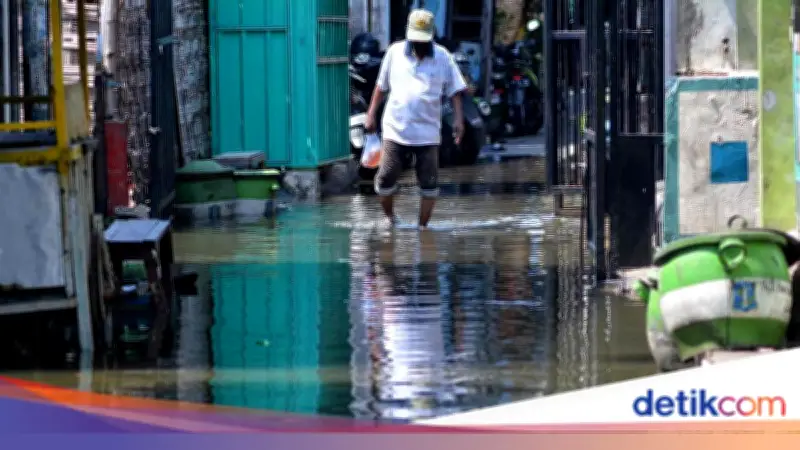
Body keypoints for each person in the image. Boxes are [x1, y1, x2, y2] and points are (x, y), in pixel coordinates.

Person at [364, 9, 468, 229]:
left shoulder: (442, 57)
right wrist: (371, 114)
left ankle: (422, 228)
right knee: (385, 178)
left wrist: (459, 120)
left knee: (429, 183)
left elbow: (456, 90)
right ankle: (391, 219)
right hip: (395, 128)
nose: (419, 44)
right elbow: (380, 87)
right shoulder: (394, 53)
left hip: (428, 132)